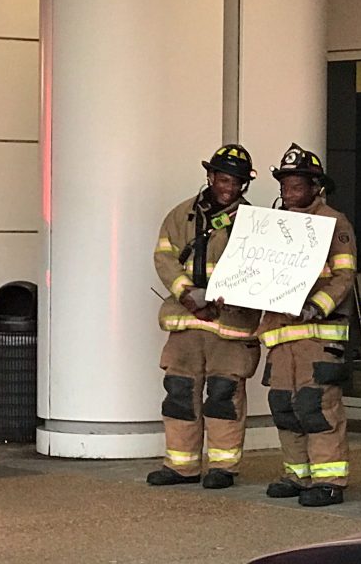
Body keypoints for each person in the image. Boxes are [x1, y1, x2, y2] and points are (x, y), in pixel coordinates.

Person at [147, 144, 262, 489]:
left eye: (237, 181)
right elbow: (164, 257)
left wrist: (231, 299)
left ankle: (223, 468)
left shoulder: (256, 224)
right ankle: (180, 466)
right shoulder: (180, 215)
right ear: (210, 176)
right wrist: (187, 293)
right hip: (186, 324)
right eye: (224, 178)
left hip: (230, 326)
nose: (229, 186)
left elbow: (260, 271)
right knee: (180, 393)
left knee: (224, 397)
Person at [258, 143, 357, 507]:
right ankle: (297, 475)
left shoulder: (335, 222)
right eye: (285, 185)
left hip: (319, 335)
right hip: (282, 335)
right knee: (285, 406)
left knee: (318, 408)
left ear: (317, 187)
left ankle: (329, 480)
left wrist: (317, 306)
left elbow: (344, 276)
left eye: (297, 185)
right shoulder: (272, 225)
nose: (289, 192)